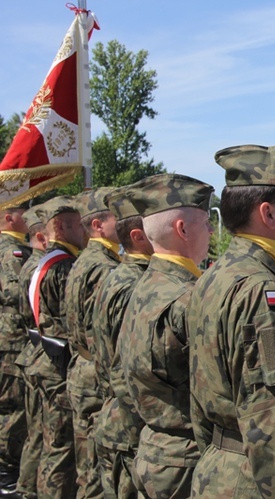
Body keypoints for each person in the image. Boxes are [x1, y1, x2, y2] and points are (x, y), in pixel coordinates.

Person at [188, 144, 275, 498]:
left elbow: (199, 393)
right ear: (267, 213)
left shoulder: (214, 276)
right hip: (258, 480)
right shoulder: (262, 291)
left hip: (223, 468)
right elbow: (274, 421)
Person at [119, 174, 213, 498]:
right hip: (188, 465)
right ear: (182, 229)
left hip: (152, 450)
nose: (212, 232)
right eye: (206, 223)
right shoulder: (188, 299)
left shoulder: (142, 287)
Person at [91, 185, 154, 498]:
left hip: (117, 420)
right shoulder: (134, 284)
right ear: (139, 235)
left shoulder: (118, 275)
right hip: (129, 428)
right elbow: (126, 366)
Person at [64, 187, 120, 498]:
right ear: (98, 225)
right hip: (95, 376)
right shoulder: (104, 267)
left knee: (88, 467)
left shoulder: (86, 260)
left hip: (83, 370)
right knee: (97, 474)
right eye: (117, 216)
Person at [31, 196, 86, 498]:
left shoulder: (38, 261)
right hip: (58, 365)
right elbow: (73, 320)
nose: (84, 231)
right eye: (79, 225)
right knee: (62, 448)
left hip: (41, 357)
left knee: (49, 440)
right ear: (63, 227)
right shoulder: (64, 267)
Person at [14, 208, 48, 499]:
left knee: (37, 428)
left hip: (32, 351)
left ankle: (27, 486)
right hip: (41, 354)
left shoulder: (32, 264)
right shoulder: (41, 266)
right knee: (42, 431)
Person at [0, 202, 31, 496]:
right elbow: (12, 291)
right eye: (25, 211)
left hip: (10, 339)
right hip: (11, 342)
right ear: (9, 217)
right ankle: (5, 474)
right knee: (11, 409)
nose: (30, 216)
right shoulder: (10, 250)